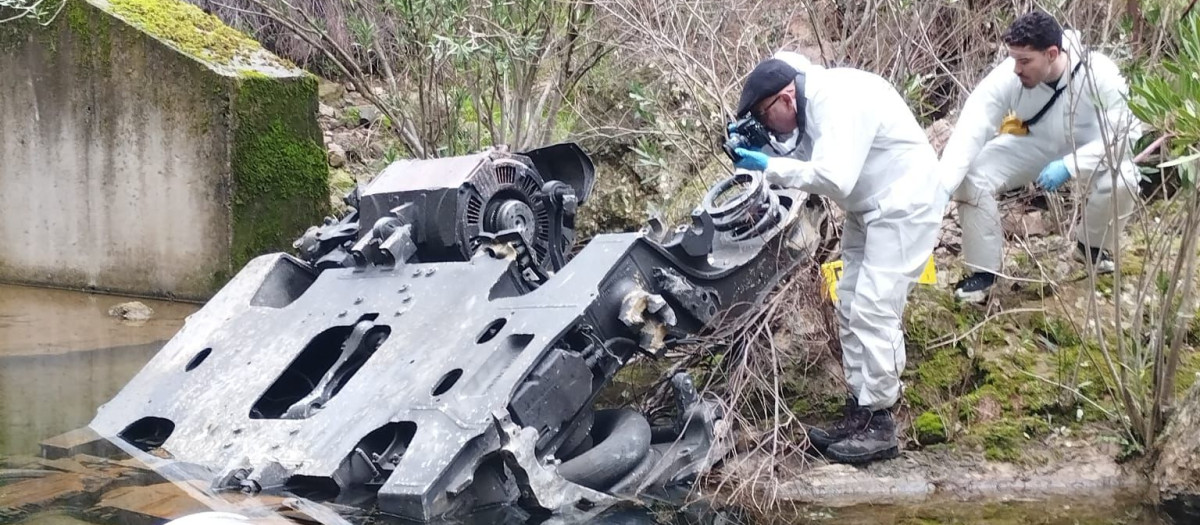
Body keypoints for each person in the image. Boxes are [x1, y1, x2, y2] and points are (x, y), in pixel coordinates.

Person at [729, 51, 947, 464]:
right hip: (871, 207)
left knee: (873, 307)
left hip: (905, 202)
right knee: (848, 302)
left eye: (763, 113)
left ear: (786, 99)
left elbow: (833, 176)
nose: (764, 122)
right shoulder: (812, 108)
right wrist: (758, 151)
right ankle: (862, 408)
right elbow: (812, 162)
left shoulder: (839, 100)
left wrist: (769, 166)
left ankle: (881, 422)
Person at [938, 10, 1143, 303]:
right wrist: (944, 183)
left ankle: (1093, 247)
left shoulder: (1101, 73)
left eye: (1025, 61)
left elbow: (1124, 133)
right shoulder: (1009, 77)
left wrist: (1071, 165)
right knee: (972, 177)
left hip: (1090, 149)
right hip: (1034, 144)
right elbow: (974, 124)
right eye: (1013, 59)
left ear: (1051, 53)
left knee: (1125, 178)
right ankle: (983, 273)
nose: (1016, 69)